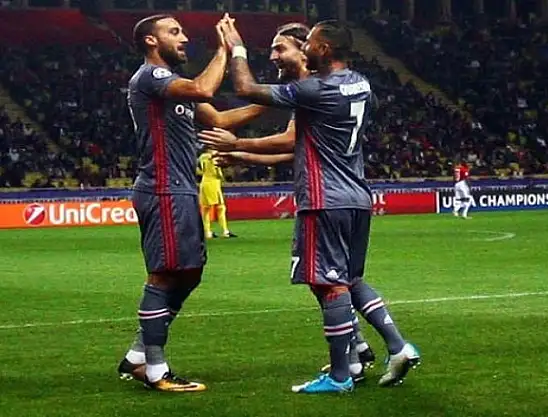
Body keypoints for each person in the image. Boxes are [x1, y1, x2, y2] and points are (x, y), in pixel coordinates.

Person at [200, 19, 420, 393]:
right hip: (356, 196)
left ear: (323, 48)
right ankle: (388, 348)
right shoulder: (361, 84)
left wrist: (236, 45)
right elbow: (304, 143)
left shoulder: (314, 89)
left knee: (328, 283)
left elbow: (246, 89)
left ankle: (341, 376)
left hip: (323, 198)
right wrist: (242, 153)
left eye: (308, 44)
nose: (303, 50)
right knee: (348, 280)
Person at [117, 13, 265, 393]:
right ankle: (155, 370)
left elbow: (219, 119)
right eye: (174, 32)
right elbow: (203, 88)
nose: (183, 38)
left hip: (181, 189)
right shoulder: (151, 77)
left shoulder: (175, 89)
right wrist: (225, 49)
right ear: (151, 41)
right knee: (164, 274)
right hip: (163, 188)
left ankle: (138, 354)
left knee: (190, 272)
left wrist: (279, 99)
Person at [197, 149, 236, 239]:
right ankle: (225, 231)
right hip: (213, 183)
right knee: (220, 207)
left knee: (206, 209)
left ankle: (207, 232)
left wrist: (204, 173)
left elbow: (198, 170)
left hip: (204, 182)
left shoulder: (202, 157)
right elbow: (218, 172)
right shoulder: (214, 158)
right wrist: (222, 176)